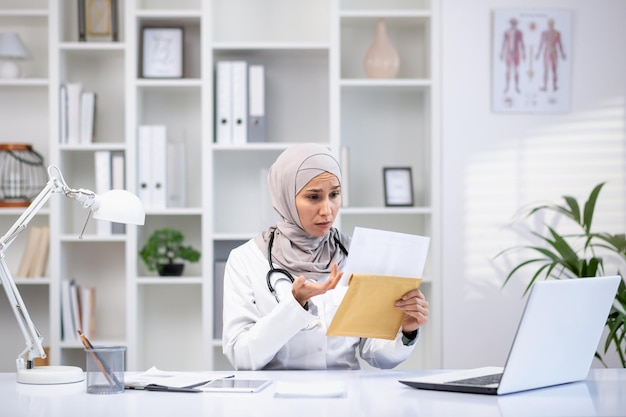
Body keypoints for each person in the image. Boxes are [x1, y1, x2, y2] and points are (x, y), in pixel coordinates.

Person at [222, 143, 429, 370]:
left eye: (334, 194)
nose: (327, 210)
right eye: (313, 197)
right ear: (286, 198)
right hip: (276, 399)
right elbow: (241, 356)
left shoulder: (355, 253)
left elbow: (375, 354)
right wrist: (295, 305)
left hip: (346, 399)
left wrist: (406, 330)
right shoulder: (245, 259)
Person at [535, 18, 566, 92]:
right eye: (549, 24)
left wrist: (562, 53)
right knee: (546, 69)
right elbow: (541, 43)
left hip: (554, 51)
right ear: (548, 25)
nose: (550, 25)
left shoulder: (557, 33)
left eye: (551, 24)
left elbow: (560, 44)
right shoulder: (544, 33)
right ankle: (545, 86)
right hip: (546, 51)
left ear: (553, 24)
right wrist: (538, 53)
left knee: (554, 69)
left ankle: (554, 86)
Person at [500, 18, 525, 93]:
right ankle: (507, 87)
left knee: (516, 70)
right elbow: (504, 42)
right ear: (510, 24)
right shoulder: (507, 32)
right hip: (508, 52)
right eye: (512, 23)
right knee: (508, 69)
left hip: (516, 52)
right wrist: (502, 53)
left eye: (514, 23)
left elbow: (521, 43)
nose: (513, 25)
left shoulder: (519, 33)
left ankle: (516, 87)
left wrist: (523, 53)